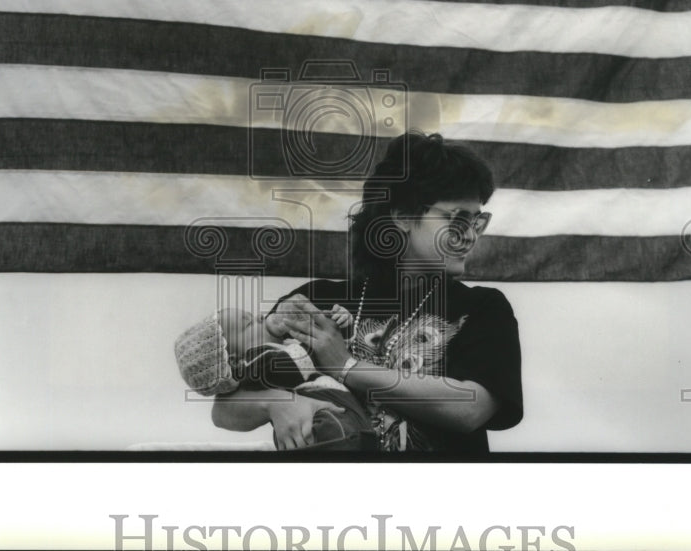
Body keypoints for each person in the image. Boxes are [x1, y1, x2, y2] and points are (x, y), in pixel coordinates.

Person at [212, 131, 523, 453]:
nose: (470, 235)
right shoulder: (316, 301)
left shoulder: (482, 307)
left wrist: (345, 366)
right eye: (458, 218)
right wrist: (276, 404)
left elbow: (470, 409)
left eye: (477, 221)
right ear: (403, 216)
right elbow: (224, 408)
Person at [174, 299, 375, 450]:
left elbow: (339, 355)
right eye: (249, 323)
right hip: (326, 427)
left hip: (350, 419)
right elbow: (298, 363)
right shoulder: (257, 362)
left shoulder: (285, 347)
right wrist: (310, 333)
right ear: (235, 361)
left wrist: (339, 327)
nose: (261, 317)